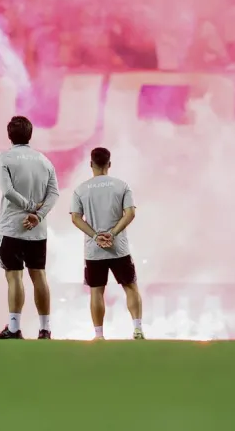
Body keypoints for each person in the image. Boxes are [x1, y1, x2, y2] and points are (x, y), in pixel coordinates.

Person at [0, 115, 59, 340]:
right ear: (30, 134)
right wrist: (37, 215)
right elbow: (54, 194)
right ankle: (45, 329)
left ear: (9, 135)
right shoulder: (44, 160)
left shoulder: (5, 157)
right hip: (36, 230)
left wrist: (29, 207)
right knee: (39, 275)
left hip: (12, 226)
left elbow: (8, 191)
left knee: (14, 277)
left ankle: (14, 328)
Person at [70, 146, 144, 341]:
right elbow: (130, 213)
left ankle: (99, 335)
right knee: (130, 287)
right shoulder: (122, 186)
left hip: (94, 250)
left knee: (96, 291)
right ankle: (137, 330)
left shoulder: (81, 189)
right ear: (109, 164)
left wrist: (96, 236)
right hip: (118, 248)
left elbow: (76, 218)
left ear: (91, 164)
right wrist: (113, 234)